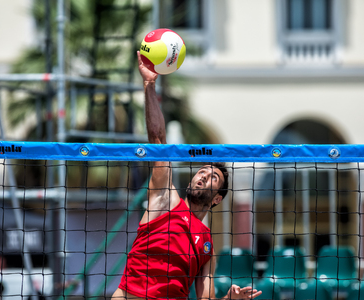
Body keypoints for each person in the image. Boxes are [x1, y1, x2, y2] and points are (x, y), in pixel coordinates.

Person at [111, 52, 262, 300]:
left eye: (213, 177)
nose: (202, 176)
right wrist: (149, 85)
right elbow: (158, 139)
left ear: (216, 200)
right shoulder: (164, 202)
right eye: (201, 171)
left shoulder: (206, 245)